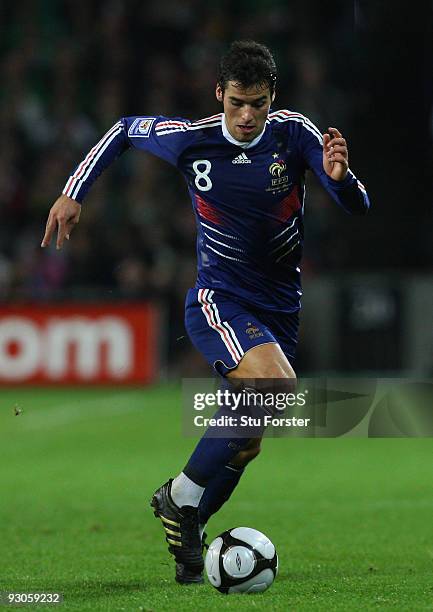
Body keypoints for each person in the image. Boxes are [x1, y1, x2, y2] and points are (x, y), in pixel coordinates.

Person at [41, 41, 370, 584]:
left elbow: (356, 206)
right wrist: (73, 192)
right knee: (276, 390)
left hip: (280, 311)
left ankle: (190, 529)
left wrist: (340, 179)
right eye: (238, 102)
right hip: (220, 299)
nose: (247, 116)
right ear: (219, 94)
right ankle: (180, 497)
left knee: (247, 441)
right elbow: (123, 129)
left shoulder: (296, 134)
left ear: (273, 98)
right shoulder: (191, 140)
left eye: (258, 104)